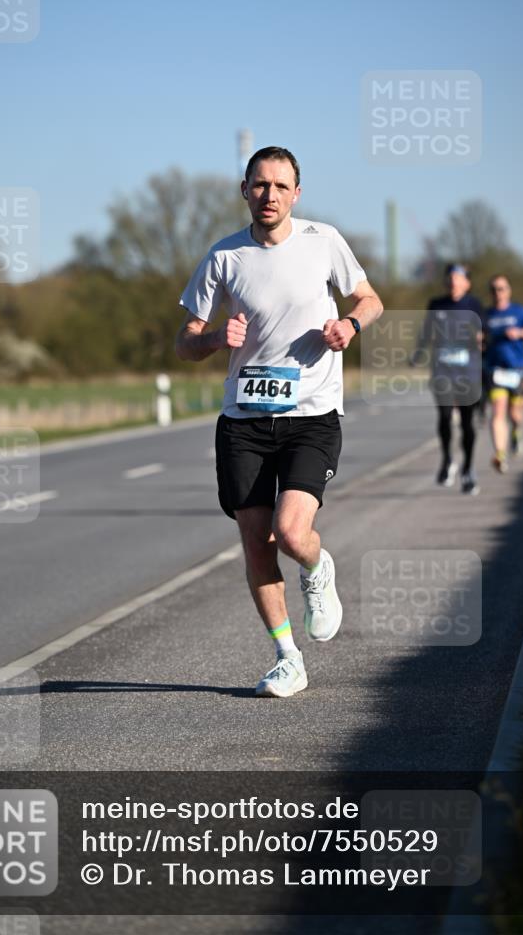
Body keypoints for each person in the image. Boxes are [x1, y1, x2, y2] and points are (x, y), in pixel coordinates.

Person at [175, 146, 383, 698]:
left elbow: (370, 299)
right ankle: (287, 657)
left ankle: (317, 567)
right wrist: (216, 338)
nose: (269, 195)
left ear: (296, 192)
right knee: (256, 542)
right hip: (243, 419)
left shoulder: (324, 241)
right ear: (244, 190)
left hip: (311, 415)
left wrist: (350, 326)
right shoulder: (223, 257)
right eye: (259, 185)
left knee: (292, 533)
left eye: (280, 186)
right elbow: (184, 341)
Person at [414, 264, 484, 495]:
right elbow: (426, 332)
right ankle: (447, 460)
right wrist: (418, 354)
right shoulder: (436, 304)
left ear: (467, 283)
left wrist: (483, 339)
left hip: (468, 373)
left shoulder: (475, 306)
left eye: (458, 278)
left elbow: (488, 335)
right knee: (444, 416)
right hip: (442, 370)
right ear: (445, 283)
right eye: (450, 278)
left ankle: (468, 468)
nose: (453, 282)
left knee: (466, 423)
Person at [483, 275, 523, 473]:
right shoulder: (486, 315)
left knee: (514, 413)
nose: (497, 292)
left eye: (501, 288)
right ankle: (500, 454)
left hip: (516, 370)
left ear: (508, 290)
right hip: (495, 371)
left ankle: (517, 431)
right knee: (498, 411)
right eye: (494, 289)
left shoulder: (520, 312)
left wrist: (520, 333)